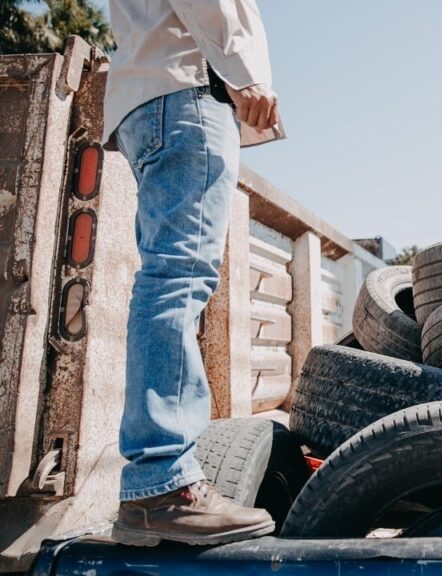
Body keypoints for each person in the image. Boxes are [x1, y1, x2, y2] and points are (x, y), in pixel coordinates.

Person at [103, 0, 282, 546]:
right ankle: (162, 486)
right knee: (176, 280)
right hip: (187, 90)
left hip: (152, 94)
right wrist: (243, 72)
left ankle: (157, 484)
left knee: (168, 278)